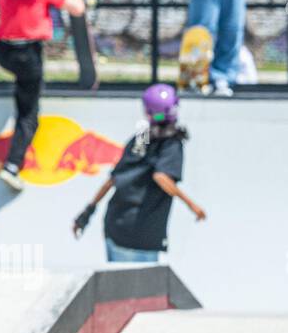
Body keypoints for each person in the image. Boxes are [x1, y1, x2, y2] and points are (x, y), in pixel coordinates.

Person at [0, 0, 86, 191]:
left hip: (3, 51)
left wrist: (6, 13)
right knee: (29, 116)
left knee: (25, 83)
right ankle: (12, 167)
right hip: (28, 54)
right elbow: (77, 8)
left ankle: (23, 86)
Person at [73, 83, 207, 262]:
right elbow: (161, 176)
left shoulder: (141, 138)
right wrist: (192, 205)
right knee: (145, 288)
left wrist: (87, 213)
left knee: (120, 286)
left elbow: (113, 179)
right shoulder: (172, 143)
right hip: (142, 234)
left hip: (116, 227)